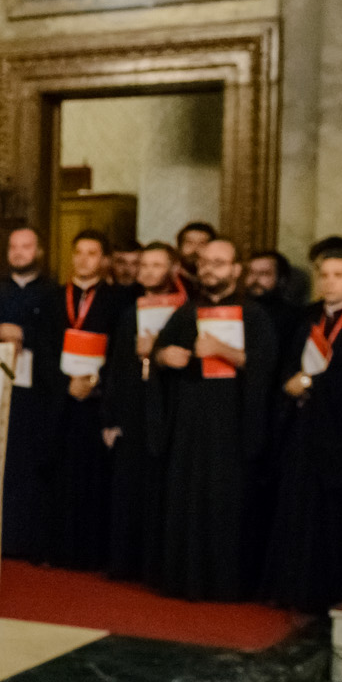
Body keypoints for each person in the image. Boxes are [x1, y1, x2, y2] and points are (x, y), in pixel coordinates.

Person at [145, 237, 280, 602]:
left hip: (233, 426)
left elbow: (267, 370)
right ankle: (181, 579)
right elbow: (160, 355)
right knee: (186, 497)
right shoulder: (186, 313)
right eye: (204, 263)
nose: (210, 270)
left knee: (227, 501)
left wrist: (223, 351)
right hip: (189, 424)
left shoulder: (255, 315)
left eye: (219, 263)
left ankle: (226, 583)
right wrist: (162, 358)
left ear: (236, 270)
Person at [267, 238, 342, 611]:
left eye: (339, 275)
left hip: (339, 434)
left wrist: (312, 383)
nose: (330, 282)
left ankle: (326, 591)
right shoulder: (307, 319)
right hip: (301, 428)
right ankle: (291, 588)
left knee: (330, 516)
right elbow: (287, 360)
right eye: (325, 275)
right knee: (294, 508)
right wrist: (290, 380)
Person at [43, 230, 132, 571]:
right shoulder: (53, 298)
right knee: (60, 475)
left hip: (98, 400)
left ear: (104, 260)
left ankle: (91, 553)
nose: (83, 259)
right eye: (78, 252)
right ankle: (58, 549)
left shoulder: (118, 301)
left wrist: (93, 382)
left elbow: (120, 351)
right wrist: (66, 384)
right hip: (61, 399)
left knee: (94, 477)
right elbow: (44, 348)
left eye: (92, 253)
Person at [0, 226, 57, 562]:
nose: (20, 252)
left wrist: (26, 332)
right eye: (14, 247)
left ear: (38, 251)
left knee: (32, 463)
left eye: (26, 247)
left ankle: (29, 541)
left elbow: (57, 334)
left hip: (37, 389)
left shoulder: (53, 292)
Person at [105, 243, 179, 582]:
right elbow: (116, 369)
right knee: (129, 485)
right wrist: (110, 418)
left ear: (173, 269)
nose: (148, 272)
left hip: (169, 406)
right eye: (144, 265)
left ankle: (158, 564)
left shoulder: (184, 310)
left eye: (156, 265)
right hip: (133, 407)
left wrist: (158, 350)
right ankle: (126, 563)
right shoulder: (128, 310)